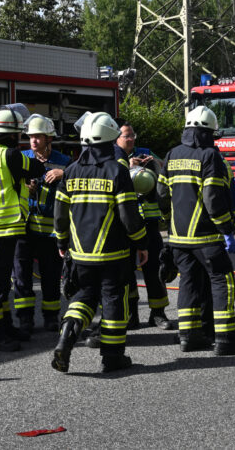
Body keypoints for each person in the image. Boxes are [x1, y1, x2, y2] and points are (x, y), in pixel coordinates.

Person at [50, 112, 149, 373]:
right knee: (114, 299)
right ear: (109, 139)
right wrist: (141, 243)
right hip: (113, 254)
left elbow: (59, 214)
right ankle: (112, 357)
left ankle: (65, 340)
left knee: (84, 297)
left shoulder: (70, 171)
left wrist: (62, 241)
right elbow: (129, 216)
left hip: (80, 254)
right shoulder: (117, 170)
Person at [157, 106, 235, 356]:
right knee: (223, 282)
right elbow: (212, 198)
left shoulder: (171, 154)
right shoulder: (210, 155)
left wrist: (170, 220)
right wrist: (226, 230)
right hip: (207, 237)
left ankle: (189, 337)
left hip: (178, 238)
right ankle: (226, 340)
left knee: (188, 284)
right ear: (208, 132)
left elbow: (161, 194)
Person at [0, 104, 46, 352]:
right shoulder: (11, 156)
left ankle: (5, 328)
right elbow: (36, 168)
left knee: (1, 281)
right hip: (4, 223)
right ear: (11, 135)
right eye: (18, 134)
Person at [11, 114, 70, 335]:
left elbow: (78, 177)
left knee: (51, 276)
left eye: (38, 136)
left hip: (50, 232)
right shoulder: (22, 157)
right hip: (23, 229)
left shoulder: (63, 161)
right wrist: (25, 187)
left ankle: (51, 317)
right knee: (22, 277)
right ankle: (25, 320)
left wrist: (63, 173)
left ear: (49, 138)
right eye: (31, 136)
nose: (33, 141)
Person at [116, 122, 176, 330]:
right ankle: (131, 314)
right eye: (126, 136)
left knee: (155, 268)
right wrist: (128, 166)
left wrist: (155, 163)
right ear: (116, 138)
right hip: (125, 225)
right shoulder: (114, 159)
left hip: (149, 223)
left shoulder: (145, 152)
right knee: (125, 271)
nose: (131, 139)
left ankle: (158, 313)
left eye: (133, 135)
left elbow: (164, 168)